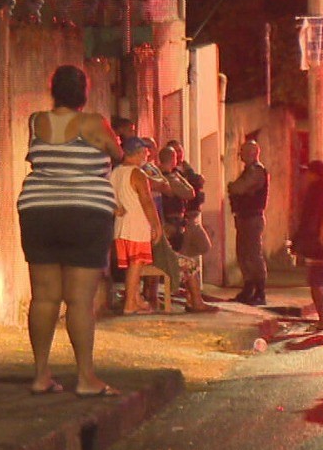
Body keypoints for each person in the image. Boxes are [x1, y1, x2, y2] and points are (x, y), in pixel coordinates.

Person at [16, 65, 122, 397]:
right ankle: (86, 378)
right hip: (85, 214)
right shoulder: (93, 123)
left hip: (38, 212)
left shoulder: (36, 121)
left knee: (44, 296)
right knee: (79, 300)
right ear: (83, 92)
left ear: (53, 90)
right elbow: (117, 153)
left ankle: (40, 375)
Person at [157, 143, 216, 313]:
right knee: (187, 263)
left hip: (172, 226)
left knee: (189, 256)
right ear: (173, 159)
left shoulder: (159, 175)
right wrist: (181, 176)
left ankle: (190, 298)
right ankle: (194, 301)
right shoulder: (170, 176)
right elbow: (189, 192)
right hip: (172, 227)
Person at [110, 137, 163, 314]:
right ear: (139, 153)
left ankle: (135, 298)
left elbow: (110, 198)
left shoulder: (115, 172)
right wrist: (156, 225)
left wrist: (116, 209)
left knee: (133, 266)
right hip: (136, 226)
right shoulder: (138, 174)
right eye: (145, 153)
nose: (146, 156)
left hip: (121, 226)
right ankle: (129, 304)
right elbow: (147, 201)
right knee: (136, 265)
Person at [290, 160, 323, 330]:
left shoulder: (314, 191)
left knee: (315, 281)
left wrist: (298, 240)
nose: (305, 177)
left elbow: (309, 218)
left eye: (308, 173)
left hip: (316, 242)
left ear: (313, 173)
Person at [226, 140, 270, 305]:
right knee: (244, 253)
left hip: (252, 217)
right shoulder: (249, 171)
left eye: (244, 151)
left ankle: (259, 291)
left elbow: (238, 188)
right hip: (245, 217)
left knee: (252, 254)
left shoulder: (257, 171)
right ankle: (249, 288)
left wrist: (234, 186)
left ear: (253, 153)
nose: (241, 155)